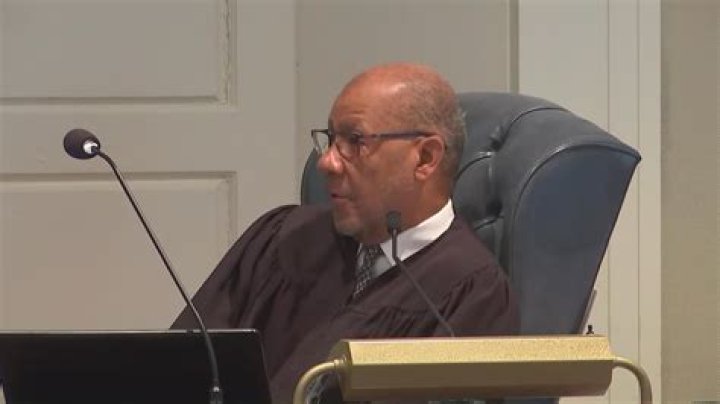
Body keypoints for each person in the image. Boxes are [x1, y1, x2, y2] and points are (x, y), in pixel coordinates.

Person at [172, 63, 519, 403]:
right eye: (331, 139)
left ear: (425, 158)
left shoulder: (470, 294)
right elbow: (174, 368)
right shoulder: (283, 236)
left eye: (355, 141)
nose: (327, 162)